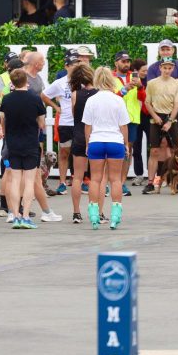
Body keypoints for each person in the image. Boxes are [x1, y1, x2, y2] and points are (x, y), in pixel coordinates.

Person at [83, 67, 131, 230]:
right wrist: (125, 143)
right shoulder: (118, 100)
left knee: (95, 179)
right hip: (114, 141)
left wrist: (87, 144)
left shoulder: (92, 100)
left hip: (96, 140)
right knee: (115, 179)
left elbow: (87, 126)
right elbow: (123, 126)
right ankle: (115, 215)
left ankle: (94, 214)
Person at [0, 68, 46, 230]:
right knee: (29, 181)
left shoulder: (7, 99)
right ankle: (25, 215)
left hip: (13, 143)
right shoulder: (35, 99)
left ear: (12, 82)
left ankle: (15, 215)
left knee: (15, 180)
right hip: (30, 143)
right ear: (26, 81)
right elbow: (41, 123)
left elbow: (3, 120)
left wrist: (6, 132)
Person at [142, 39, 178, 187]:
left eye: (168, 49)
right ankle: (157, 178)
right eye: (163, 49)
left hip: (176, 112)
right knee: (157, 147)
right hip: (157, 112)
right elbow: (152, 89)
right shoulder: (153, 68)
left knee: (176, 147)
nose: (166, 52)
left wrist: (170, 85)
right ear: (159, 51)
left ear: (173, 50)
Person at [42, 59, 75, 197]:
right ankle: (62, 182)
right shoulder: (60, 82)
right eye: (73, 64)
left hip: (81, 122)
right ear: (66, 66)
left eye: (78, 63)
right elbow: (44, 95)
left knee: (82, 154)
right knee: (63, 152)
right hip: (66, 122)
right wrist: (56, 107)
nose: (76, 66)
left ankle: (83, 180)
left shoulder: (85, 80)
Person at [68, 63, 97, 223]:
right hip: (94, 136)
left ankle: (76, 212)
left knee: (77, 177)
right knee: (96, 178)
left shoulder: (75, 95)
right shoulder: (98, 94)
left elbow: (75, 115)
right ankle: (98, 212)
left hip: (78, 135)